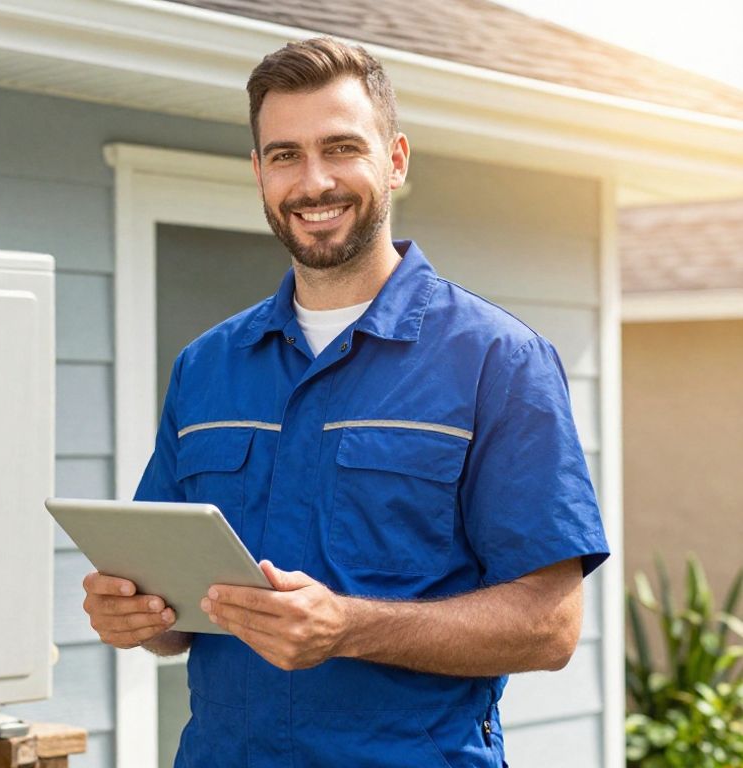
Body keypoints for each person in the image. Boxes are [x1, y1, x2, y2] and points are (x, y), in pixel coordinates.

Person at [80, 37, 610, 767]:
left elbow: (549, 628)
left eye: (341, 148)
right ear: (260, 174)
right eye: (285, 155)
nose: (314, 181)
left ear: (394, 159)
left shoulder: (498, 360)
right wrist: (137, 615)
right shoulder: (207, 368)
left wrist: (348, 627)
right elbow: (177, 617)